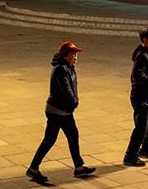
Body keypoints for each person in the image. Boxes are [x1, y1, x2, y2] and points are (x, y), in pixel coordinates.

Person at [27, 40, 96, 183]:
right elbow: (66, 89)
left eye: (76, 54)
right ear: (66, 55)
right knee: (49, 140)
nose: (76, 56)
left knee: (73, 135)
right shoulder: (61, 69)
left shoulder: (69, 67)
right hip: (57, 111)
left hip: (65, 111)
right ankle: (33, 169)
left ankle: (79, 167)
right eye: (73, 54)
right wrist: (74, 101)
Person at [123, 27, 148, 167]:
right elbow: (137, 74)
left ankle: (145, 149)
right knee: (141, 128)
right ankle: (130, 156)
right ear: (145, 40)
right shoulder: (142, 55)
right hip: (141, 98)